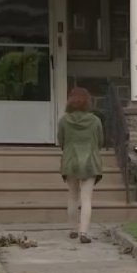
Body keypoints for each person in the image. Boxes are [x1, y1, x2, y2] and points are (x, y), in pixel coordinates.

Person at [58, 87, 103, 244]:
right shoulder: (95, 120)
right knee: (86, 199)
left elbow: (61, 141)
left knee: (72, 196)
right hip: (90, 161)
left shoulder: (64, 120)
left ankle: (72, 229)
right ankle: (83, 231)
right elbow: (100, 141)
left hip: (70, 160)